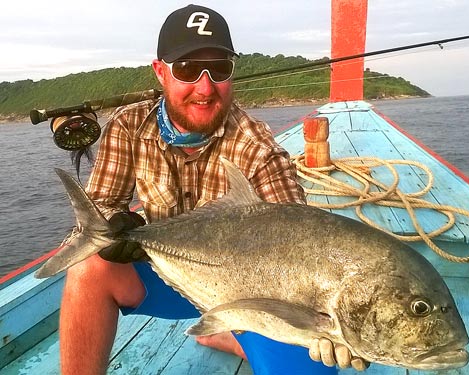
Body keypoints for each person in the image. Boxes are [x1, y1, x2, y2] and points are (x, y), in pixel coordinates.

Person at [59, 4, 367, 374]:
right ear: (160, 72)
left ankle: (230, 333)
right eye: (187, 69)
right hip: (166, 274)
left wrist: (336, 327)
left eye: (218, 69)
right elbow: (103, 204)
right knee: (88, 264)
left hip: (248, 296)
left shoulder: (257, 147)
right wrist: (115, 224)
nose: (204, 88)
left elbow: (297, 228)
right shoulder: (129, 125)